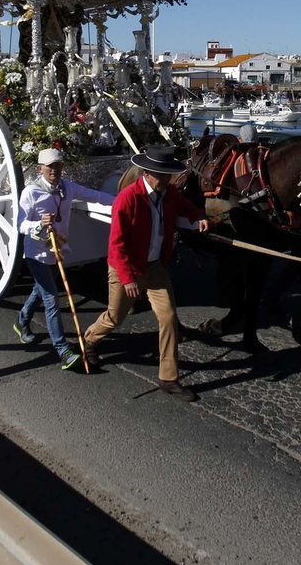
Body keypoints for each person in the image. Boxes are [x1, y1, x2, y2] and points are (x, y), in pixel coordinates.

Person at [80, 145, 209, 400]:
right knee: (116, 317)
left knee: (169, 317)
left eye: (169, 174)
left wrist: (199, 215)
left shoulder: (169, 193)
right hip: (126, 267)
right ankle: (90, 340)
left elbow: (185, 207)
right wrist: (128, 278)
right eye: (163, 174)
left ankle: (168, 378)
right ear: (148, 173)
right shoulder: (127, 199)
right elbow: (116, 245)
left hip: (154, 267)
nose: (167, 179)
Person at [15, 148, 117, 370]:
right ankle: (62, 350)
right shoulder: (30, 193)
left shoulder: (67, 187)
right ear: (40, 168)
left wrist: (118, 202)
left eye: (58, 165)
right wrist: (39, 224)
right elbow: (21, 225)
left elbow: (93, 195)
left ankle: (22, 320)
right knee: (51, 298)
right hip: (36, 253)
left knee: (39, 291)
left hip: (56, 251)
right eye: (50, 166)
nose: (55, 170)